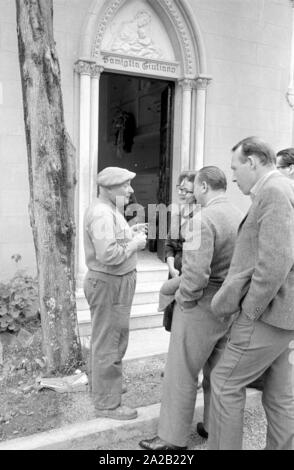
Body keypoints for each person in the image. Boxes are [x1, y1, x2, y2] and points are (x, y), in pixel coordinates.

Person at [139, 166, 243, 450]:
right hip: (229, 303)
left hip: (201, 303)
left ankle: (171, 438)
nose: (192, 191)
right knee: (219, 372)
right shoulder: (239, 214)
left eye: (195, 186)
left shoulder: (201, 219)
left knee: (181, 371)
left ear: (205, 187)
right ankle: (213, 427)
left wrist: (184, 300)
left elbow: (196, 276)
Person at [208, 137, 294, 450]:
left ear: (253, 162)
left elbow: (275, 263)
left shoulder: (273, 190)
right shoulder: (283, 188)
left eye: (235, 167)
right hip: (282, 315)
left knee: (224, 383)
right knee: (280, 393)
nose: (232, 176)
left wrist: (250, 311)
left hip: (268, 313)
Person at [83, 167, 147, 420]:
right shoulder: (101, 213)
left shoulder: (108, 210)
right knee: (109, 343)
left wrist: (128, 232)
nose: (130, 190)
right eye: (125, 186)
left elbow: (109, 242)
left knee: (111, 339)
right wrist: (135, 244)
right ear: (109, 188)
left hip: (114, 283)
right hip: (110, 283)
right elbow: (107, 255)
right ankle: (108, 404)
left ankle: (104, 388)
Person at [163, 170, 197, 331]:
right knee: (174, 318)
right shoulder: (177, 214)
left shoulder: (200, 216)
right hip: (174, 271)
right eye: (180, 189)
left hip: (189, 273)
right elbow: (169, 245)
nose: (181, 194)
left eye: (186, 191)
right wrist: (171, 267)